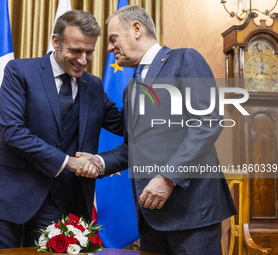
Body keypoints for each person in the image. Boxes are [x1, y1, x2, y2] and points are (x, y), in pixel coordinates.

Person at [76, 5, 237, 255]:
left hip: (192, 214)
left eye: (113, 38)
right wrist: (99, 161)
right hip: (151, 217)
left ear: (136, 29)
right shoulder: (131, 89)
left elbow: (207, 122)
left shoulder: (184, 59)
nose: (109, 48)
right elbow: (134, 147)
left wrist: (167, 178)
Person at [0, 10, 123, 251]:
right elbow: (13, 132)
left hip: (58, 203)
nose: (83, 60)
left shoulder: (94, 85)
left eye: (89, 52)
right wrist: (67, 162)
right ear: (56, 41)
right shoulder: (20, 71)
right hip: (7, 197)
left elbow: (123, 126)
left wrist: (144, 85)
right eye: (76, 51)